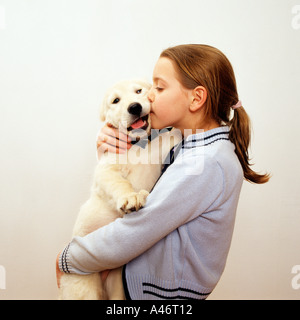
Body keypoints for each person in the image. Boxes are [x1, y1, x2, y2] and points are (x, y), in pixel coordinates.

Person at [56, 44, 270, 300]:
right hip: (133, 281)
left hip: (154, 297)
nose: (149, 96)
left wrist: (68, 258)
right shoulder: (189, 140)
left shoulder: (204, 162)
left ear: (196, 98)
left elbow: (137, 230)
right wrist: (106, 139)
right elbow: (128, 155)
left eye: (158, 87)